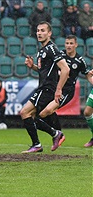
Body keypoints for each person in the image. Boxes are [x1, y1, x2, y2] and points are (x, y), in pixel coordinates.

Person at [21, 21, 70, 153]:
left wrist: (59, 89)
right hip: (43, 87)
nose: (39, 33)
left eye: (43, 31)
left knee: (25, 112)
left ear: (49, 33)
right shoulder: (42, 50)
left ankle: (45, 139)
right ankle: (50, 136)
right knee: (32, 117)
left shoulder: (51, 48)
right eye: (38, 30)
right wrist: (33, 67)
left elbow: (65, 69)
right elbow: (44, 71)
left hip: (48, 88)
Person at [35, 35, 93, 140]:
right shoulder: (59, 55)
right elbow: (46, 70)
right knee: (43, 112)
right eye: (67, 43)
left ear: (76, 45)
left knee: (45, 112)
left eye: (71, 43)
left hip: (66, 91)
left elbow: (87, 74)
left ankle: (57, 134)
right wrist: (33, 67)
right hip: (55, 88)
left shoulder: (80, 61)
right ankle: (58, 134)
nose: (69, 46)